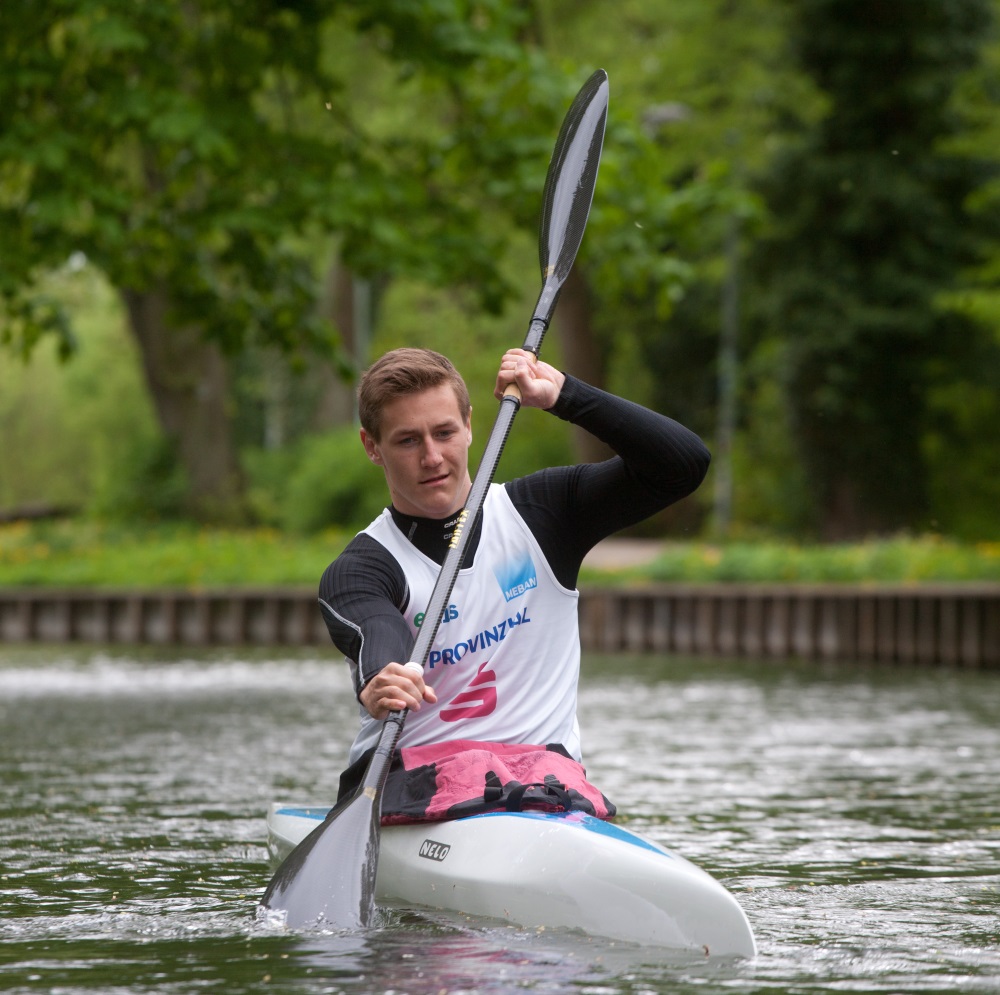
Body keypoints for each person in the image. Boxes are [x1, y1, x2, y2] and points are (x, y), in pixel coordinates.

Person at [318, 345, 710, 810]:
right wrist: (385, 677)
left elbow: (683, 465)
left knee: (541, 787)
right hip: (412, 786)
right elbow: (377, 632)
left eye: (444, 432)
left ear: (469, 425)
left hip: (543, 784)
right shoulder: (364, 567)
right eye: (408, 440)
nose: (432, 457)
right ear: (372, 447)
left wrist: (565, 395)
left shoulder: (544, 514)